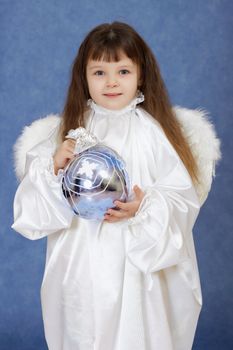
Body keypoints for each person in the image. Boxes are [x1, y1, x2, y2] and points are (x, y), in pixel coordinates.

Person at [12, 21, 220, 350]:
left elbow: (180, 196)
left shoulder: (153, 133)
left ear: (141, 74)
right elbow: (36, 210)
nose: (111, 82)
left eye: (123, 71)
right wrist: (54, 167)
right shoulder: (68, 131)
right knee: (85, 324)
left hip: (136, 260)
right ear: (84, 76)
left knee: (137, 328)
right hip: (83, 259)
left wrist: (145, 205)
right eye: (99, 72)